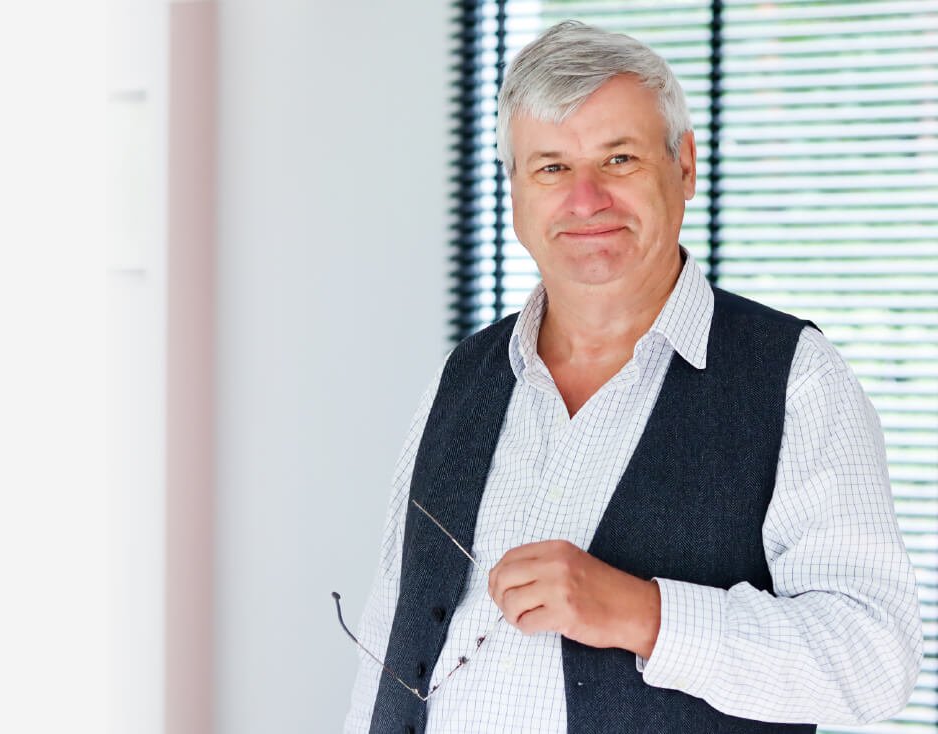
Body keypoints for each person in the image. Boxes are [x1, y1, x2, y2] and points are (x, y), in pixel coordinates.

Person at [341, 19, 923, 734]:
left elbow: (873, 661)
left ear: (684, 166)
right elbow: (389, 632)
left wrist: (643, 614)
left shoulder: (794, 380)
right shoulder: (462, 378)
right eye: (551, 167)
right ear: (515, 190)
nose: (585, 200)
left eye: (618, 160)